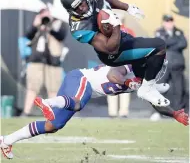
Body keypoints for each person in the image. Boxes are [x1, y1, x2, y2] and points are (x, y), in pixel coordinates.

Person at [1, 64, 189, 159]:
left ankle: (6, 140)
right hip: (81, 79)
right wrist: (126, 82)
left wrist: (174, 114)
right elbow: (112, 75)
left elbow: (156, 102)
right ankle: (48, 103)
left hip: (80, 87)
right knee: (78, 102)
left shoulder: (147, 84)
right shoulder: (131, 64)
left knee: (53, 125)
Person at [60, 0, 170, 107]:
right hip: (113, 54)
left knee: (142, 57)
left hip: (122, 38)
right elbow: (110, 48)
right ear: (70, 10)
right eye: (76, 8)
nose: (81, 8)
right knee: (159, 46)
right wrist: (116, 25)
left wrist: (127, 7)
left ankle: (147, 84)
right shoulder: (79, 28)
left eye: (81, 3)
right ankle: (147, 88)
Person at [20, 7, 67, 117]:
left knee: (53, 89)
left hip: (53, 61)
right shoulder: (37, 24)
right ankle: (26, 112)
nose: (45, 16)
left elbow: (61, 35)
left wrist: (49, 26)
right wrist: (35, 25)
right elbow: (28, 35)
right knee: (32, 88)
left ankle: (55, 113)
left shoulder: (58, 23)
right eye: (42, 14)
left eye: (47, 13)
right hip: (37, 60)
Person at [155, 15, 187, 111]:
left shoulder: (179, 31)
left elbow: (184, 44)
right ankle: (159, 110)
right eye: (167, 21)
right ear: (164, 22)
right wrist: (175, 42)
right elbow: (161, 43)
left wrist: (169, 45)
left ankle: (179, 111)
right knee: (160, 87)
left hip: (177, 64)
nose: (169, 23)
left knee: (179, 88)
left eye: (171, 21)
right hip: (164, 64)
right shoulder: (159, 32)